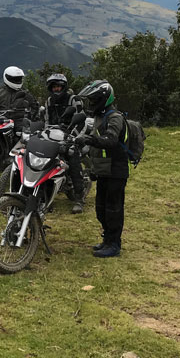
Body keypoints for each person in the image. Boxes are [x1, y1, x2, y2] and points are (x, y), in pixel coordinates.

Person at [75, 79, 129, 258]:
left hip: (116, 170)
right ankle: (107, 239)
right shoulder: (98, 117)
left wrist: (89, 140)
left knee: (114, 208)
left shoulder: (115, 117)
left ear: (104, 99)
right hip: (104, 170)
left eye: (94, 99)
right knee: (101, 208)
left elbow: (111, 140)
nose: (91, 103)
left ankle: (114, 244)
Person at [45, 73, 86, 214]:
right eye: (54, 87)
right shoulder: (49, 102)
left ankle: (79, 199)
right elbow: (46, 123)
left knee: (73, 158)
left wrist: (72, 137)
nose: (56, 89)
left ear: (64, 87)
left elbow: (82, 122)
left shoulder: (74, 100)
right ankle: (45, 197)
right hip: (54, 137)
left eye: (59, 86)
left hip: (71, 136)